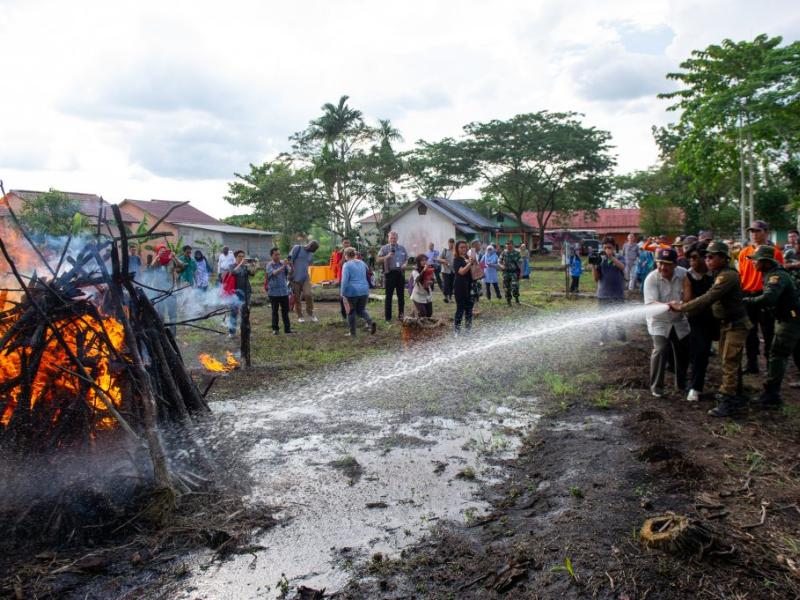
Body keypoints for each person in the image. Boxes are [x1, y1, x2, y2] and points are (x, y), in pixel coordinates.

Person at [668, 241, 750, 417]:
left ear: (722, 257)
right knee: (730, 360)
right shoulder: (718, 273)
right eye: (706, 257)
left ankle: (727, 402)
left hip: (735, 324)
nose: (707, 260)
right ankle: (737, 395)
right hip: (727, 324)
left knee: (729, 361)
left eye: (711, 257)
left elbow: (708, 298)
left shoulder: (727, 276)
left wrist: (682, 307)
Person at [742, 245, 800, 409]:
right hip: (791, 317)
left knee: (777, 354)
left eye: (755, 260)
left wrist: (746, 302)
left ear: (765, 262)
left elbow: (768, 298)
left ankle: (772, 395)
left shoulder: (776, 277)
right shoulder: (771, 273)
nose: (753, 263)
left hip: (790, 320)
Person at [643, 248, 690, 398]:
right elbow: (650, 304)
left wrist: (683, 304)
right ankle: (656, 387)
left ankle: (681, 385)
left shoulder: (683, 274)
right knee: (661, 349)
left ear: (675, 264)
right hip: (659, 321)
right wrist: (670, 305)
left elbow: (689, 294)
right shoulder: (652, 278)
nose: (663, 267)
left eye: (667, 264)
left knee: (682, 351)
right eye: (660, 263)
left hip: (678, 320)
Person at [739, 220, 784, 374]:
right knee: (749, 332)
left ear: (766, 232)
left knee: (768, 331)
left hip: (765, 295)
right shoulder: (744, 252)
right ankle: (752, 363)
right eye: (752, 231)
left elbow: (779, 275)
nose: (754, 234)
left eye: (757, 231)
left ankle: (770, 365)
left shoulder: (775, 252)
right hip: (747, 294)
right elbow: (741, 274)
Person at [682, 242, 717, 402]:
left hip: (718, 317)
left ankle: (734, 389)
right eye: (689, 258)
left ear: (705, 257)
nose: (692, 261)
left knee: (729, 352)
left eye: (695, 258)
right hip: (697, 317)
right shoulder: (689, 276)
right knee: (700, 351)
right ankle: (695, 387)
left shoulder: (716, 274)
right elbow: (688, 300)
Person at [593, 238, 627, 343]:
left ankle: (622, 340)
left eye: (609, 247)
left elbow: (622, 267)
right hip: (603, 295)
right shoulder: (600, 260)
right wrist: (594, 266)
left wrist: (611, 257)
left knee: (619, 319)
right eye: (605, 248)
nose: (607, 249)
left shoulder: (620, 257)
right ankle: (603, 339)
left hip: (618, 294)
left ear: (614, 248)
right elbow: (596, 279)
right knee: (603, 319)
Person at [340, 247, 377, 337]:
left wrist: (342, 293)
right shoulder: (362, 263)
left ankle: (353, 333)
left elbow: (344, 280)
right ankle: (370, 322)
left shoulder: (347, 265)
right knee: (361, 310)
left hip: (352, 291)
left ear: (346, 255)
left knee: (351, 311)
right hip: (364, 290)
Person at [377, 231, 408, 322]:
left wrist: (405, 264)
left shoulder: (402, 248)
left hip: (400, 273)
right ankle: (388, 318)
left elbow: (406, 259)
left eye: (394, 238)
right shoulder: (384, 248)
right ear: (388, 239)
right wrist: (386, 256)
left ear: (397, 238)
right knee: (389, 296)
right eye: (391, 238)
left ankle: (401, 316)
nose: (393, 240)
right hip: (389, 274)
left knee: (401, 296)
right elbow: (378, 260)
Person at [148, 244, 179, 335]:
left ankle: (173, 334)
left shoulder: (171, 261)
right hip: (159, 292)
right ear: (157, 252)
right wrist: (158, 256)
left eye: (164, 251)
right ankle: (162, 334)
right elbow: (150, 268)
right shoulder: (156, 261)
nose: (163, 253)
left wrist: (174, 257)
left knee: (172, 315)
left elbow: (181, 266)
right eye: (161, 251)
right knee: (160, 314)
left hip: (171, 292)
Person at [288, 239, 319, 323]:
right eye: (312, 249)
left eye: (313, 251)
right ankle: (300, 316)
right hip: (294, 278)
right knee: (297, 298)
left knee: (308, 294)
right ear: (309, 245)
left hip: (305, 278)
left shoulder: (310, 254)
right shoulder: (297, 248)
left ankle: (311, 313)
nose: (312, 251)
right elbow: (289, 260)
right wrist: (291, 270)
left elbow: (309, 264)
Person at [265, 247, 292, 335]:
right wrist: (283, 266)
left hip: (284, 291)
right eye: (276, 254)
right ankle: (275, 329)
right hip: (273, 292)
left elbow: (290, 272)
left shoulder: (283, 263)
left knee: (285, 311)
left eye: (279, 254)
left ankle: (287, 329)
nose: (278, 256)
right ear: (271, 255)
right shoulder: (269, 265)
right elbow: (274, 273)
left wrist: (290, 265)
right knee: (274, 311)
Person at [228, 250, 252, 337]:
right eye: (240, 256)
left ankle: (246, 332)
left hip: (246, 292)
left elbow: (252, 273)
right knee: (234, 313)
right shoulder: (232, 266)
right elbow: (232, 272)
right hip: (235, 293)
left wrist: (255, 266)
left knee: (245, 313)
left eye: (243, 256)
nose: (242, 258)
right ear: (235, 257)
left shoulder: (245, 267)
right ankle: (232, 332)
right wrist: (240, 264)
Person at [452, 240, 475, 334]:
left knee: (469, 309)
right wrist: (470, 264)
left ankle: (468, 330)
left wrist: (473, 263)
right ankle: (456, 331)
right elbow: (461, 272)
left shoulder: (467, 258)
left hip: (469, 286)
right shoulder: (456, 259)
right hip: (460, 287)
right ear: (457, 249)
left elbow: (473, 270)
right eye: (461, 247)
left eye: (465, 247)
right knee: (460, 308)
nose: (463, 249)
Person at [499, 240, 521, 306]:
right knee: (506, 288)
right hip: (506, 273)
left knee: (515, 286)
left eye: (510, 244)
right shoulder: (504, 253)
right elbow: (499, 261)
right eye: (507, 244)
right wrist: (501, 266)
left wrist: (521, 273)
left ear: (512, 245)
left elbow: (520, 263)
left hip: (514, 272)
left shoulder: (517, 253)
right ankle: (508, 302)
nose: (508, 246)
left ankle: (517, 299)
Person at [438, 238, 456, 304]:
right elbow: (439, 259)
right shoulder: (445, 250)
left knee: (451, 284)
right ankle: (446, 297)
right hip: (445, 270)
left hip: (453, 271)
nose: (451, 244)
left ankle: (450, 297)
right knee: (446, 284)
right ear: (448, 243)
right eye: (450, 242)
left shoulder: (455, 251)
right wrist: (444, 261)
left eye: (452, 243)